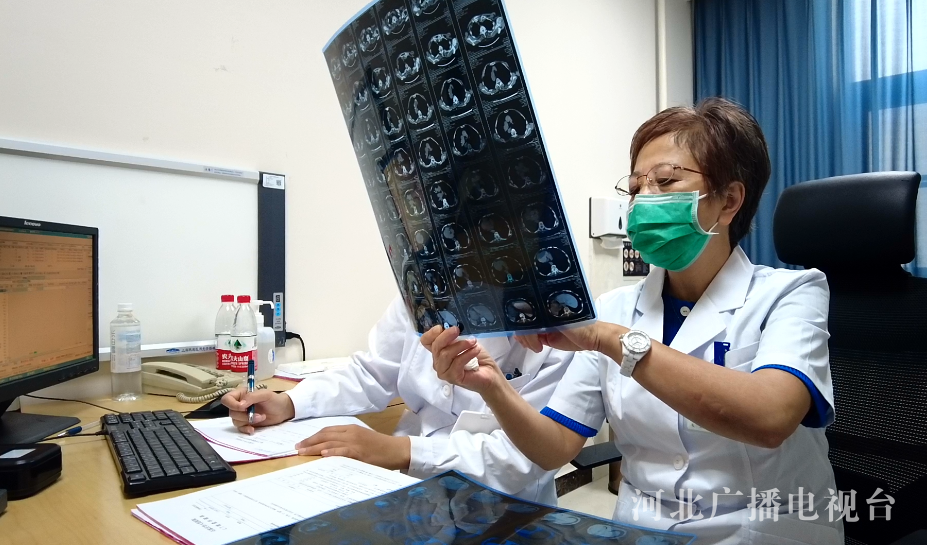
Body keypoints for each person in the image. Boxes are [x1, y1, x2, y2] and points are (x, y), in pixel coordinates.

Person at [423, 98, 843, 544]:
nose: (643, 201)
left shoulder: (791, 293)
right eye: (636, 187)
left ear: (729, 201)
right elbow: (554, 447)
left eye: (665, 180)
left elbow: (770, 417)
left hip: (759, 531)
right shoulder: (614, 310)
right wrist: (492, 386)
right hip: (643, 530)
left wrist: (607, 339)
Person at [222, 295, 572, 505]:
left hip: (505, 510)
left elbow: (523, 458)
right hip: (407, 493)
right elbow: (371, 373)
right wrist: (290, 403)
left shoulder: (560, 330)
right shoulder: (420, 289)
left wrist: (403, 450)